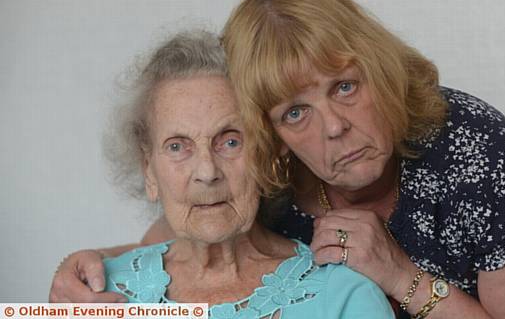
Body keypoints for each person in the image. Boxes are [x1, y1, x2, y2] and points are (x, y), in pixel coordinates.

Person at [50, 0, 505, 319]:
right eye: (295, 111)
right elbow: (192, 227)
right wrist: (91, 267)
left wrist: (399, 275)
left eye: (344, 86)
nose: (331, 128)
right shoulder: (268, 167)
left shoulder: (480, 154)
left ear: (379, 66)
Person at [71, 30, 394, 319]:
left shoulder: (344, 296)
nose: (207, 172)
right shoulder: (91, 293)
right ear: (148, 170)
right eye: (177, 147)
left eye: (230, 141)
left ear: (266, 153)